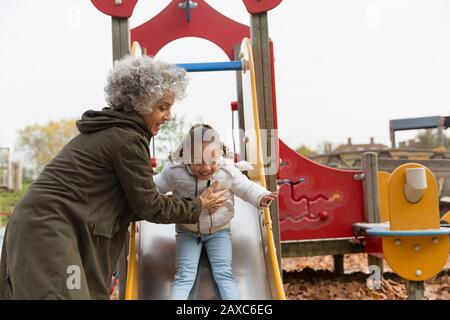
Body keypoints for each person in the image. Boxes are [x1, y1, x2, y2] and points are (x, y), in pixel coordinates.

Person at [0, 55, 229, 300]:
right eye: (163, 107)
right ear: (141, 104)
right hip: (48, 229)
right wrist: (198, 204)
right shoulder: (126, 139)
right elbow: (149, 206)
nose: (169, 116)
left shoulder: (113, 132)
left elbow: (134, 205)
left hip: (43, 224)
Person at [153, 124, 277, 300]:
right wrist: (136, 189)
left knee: (224, 274)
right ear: (187, 156)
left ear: (218, 155)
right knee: (184, 278)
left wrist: (261, 196)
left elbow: (245, 187)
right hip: (187, 231)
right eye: (198, 161)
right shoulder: (175, 172)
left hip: (219, 231)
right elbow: (156, 185)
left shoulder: (227, 170)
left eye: (211, 160)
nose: (205, 167)